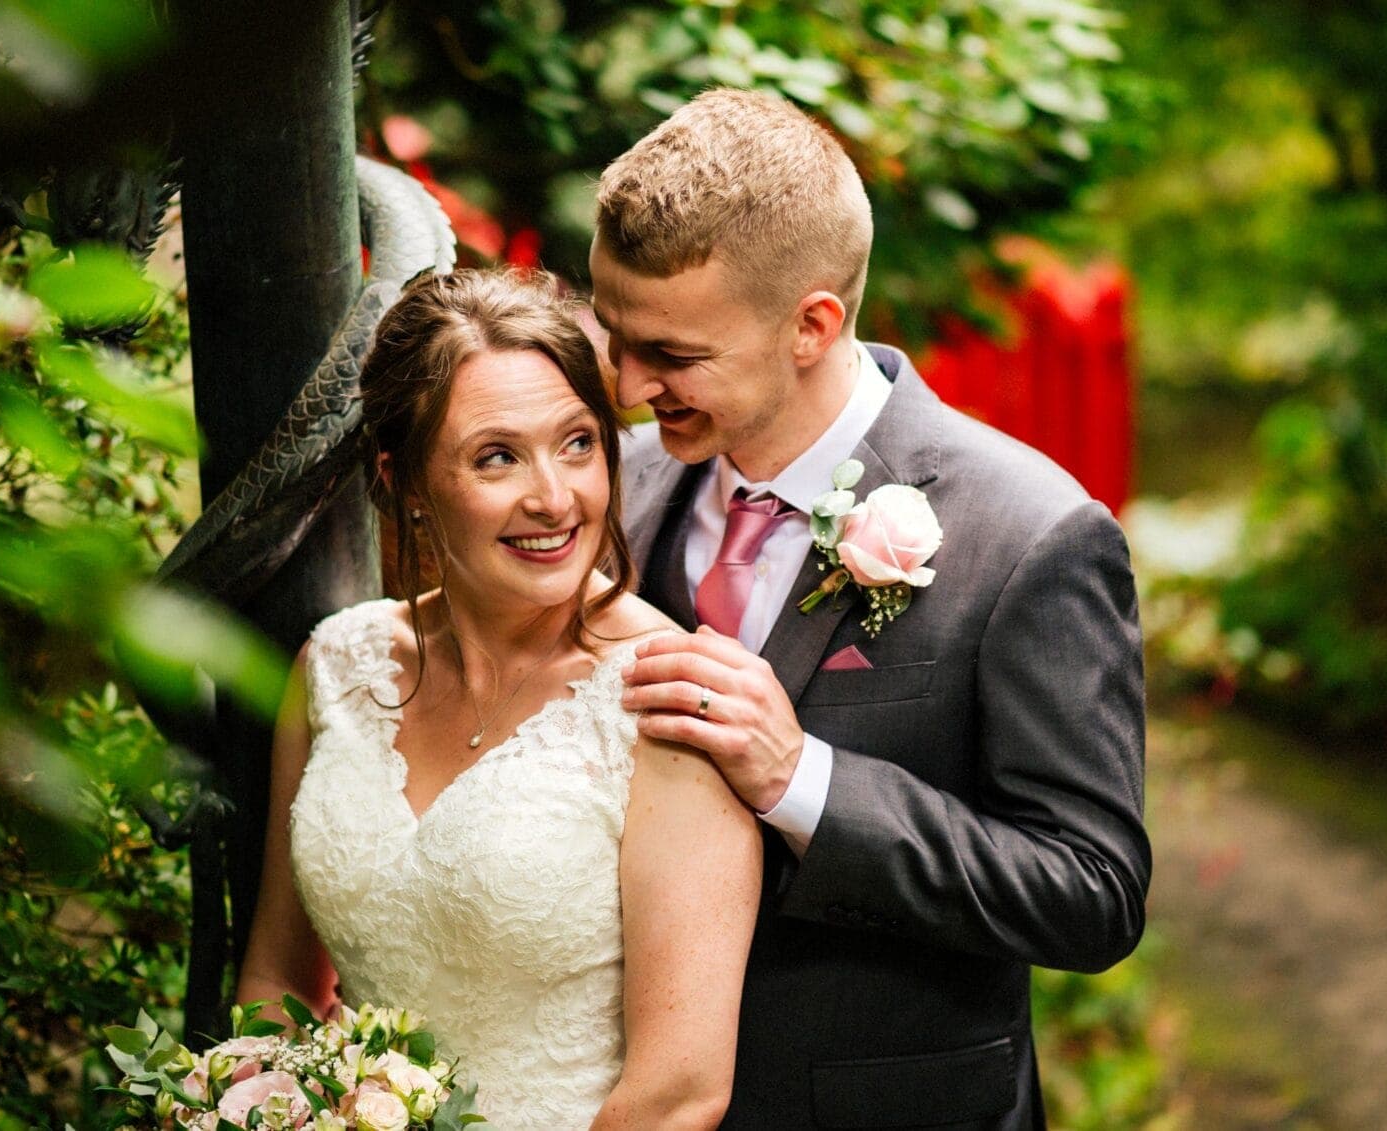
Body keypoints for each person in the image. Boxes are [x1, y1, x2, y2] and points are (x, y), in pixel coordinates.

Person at [588, 87, 1151, 1129]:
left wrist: (800, 780)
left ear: (811, 324)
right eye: (613, 334)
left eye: (669, 356)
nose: (624, 385)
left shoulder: (1028, 535)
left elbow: (1091, 894)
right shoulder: (613, 490)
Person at [236, 268, 762, 1130]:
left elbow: (679, 1092)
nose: (554, 498)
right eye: (496, 456)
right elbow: (280, 980)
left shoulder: (670, 701)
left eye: (579, 444)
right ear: (404, 481)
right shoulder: (334, 667)